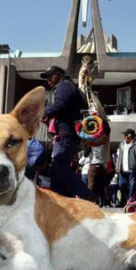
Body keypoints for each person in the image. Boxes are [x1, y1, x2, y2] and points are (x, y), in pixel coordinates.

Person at [42, 66, 97, 201]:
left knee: (59, 167)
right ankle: (60, 201)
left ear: (59, 75)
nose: (48, 80)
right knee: (57, 171)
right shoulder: (65, 87)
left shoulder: (64, 87)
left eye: (51, 76)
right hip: (65, 135)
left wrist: (43, 112)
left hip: (65, 135)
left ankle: (86, 194)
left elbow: (60, 105)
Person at [115, 129, 136, 205]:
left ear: (130, 136)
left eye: (126, 135)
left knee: (132, 185)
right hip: (122, 169)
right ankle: (129, 199)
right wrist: (117, 165)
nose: (124, 136)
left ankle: (130, 201)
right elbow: (118, 155)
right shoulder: (121, 144)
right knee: (121, 185)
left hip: (132, 169)